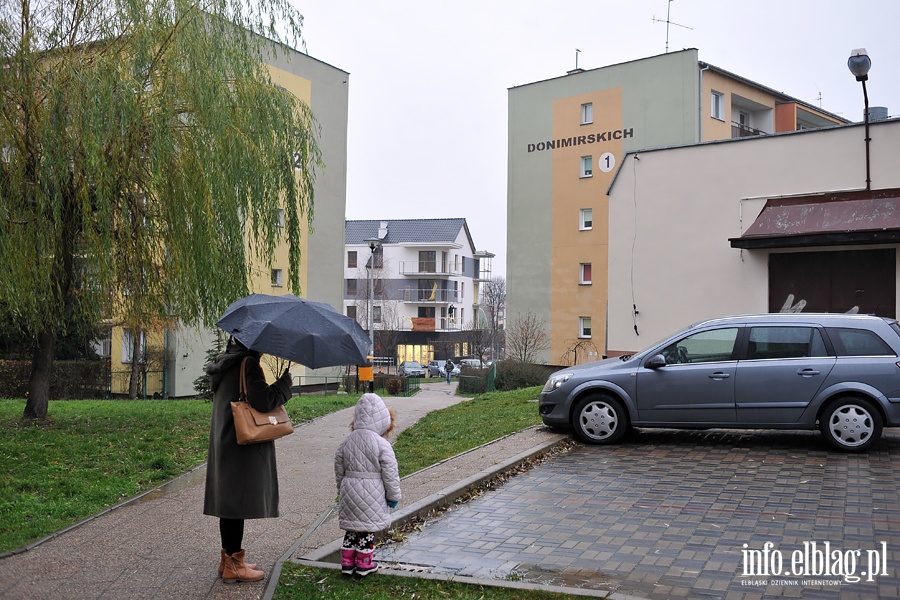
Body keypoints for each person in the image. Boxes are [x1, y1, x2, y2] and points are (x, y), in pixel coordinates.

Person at [203, 337, 293, 584]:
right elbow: (262, 401)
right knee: (237, 504)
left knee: (230, 503)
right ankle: (235, 564)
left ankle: (228, 559)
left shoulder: (225, 363)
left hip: (226, 441)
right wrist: (284, 385)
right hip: (240, 444)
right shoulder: (247, 363)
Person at [334, 393, 401, 576]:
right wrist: (393, 496)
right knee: (366, 531)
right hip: (372, 492)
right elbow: (390, 473)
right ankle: (364, 564)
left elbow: (339, 467)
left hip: (349, 489)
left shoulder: (346, 442)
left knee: (351, 530)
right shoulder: (382, 444)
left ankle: (347, 563)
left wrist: (342, 488)